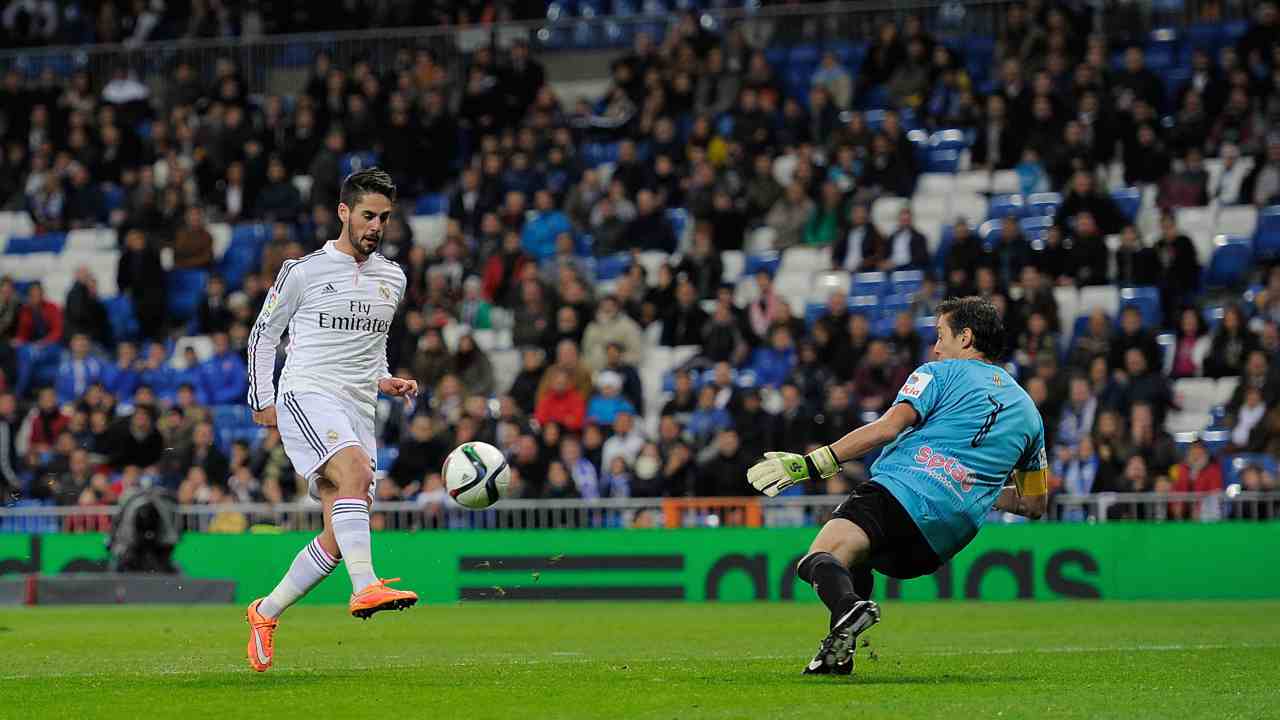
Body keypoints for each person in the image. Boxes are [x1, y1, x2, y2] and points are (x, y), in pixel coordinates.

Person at [746, 296, 1047, 675]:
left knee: (819, 558)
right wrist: (975, 486)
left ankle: (846, 610)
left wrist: (813, 463)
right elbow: (1034, 504)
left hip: (900, 494)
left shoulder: (939, 374)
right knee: (857, 566)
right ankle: (836, 653)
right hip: (936, 544)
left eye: (941, 336)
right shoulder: (1030, 415)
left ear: (966, 337)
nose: (936, 347)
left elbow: (887, 427)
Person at [243, 169, 420, 673]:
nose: (376, 226)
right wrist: (263, 398)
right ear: (343, 212)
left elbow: (372, 345)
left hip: (358, 406)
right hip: (307, 392)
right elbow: (263, 334)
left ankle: (265, 611)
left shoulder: (393, 277)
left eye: (384, 218)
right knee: (356, 471)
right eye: (368, 215)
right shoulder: (302, 270)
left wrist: (386, 379)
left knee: (338, 535)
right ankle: (367, 587)